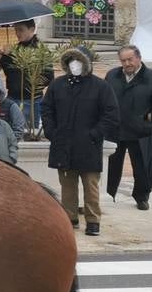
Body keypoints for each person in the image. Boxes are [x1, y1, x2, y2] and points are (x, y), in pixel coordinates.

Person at [41, 47, 119, 237]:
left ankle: (93, 220)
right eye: (71, 61)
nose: (75, 65)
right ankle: (70, 217)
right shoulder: (57, 85)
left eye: (79, 61)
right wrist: (52, 132)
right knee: (67, 185)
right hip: (64, 142)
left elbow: (111, 114)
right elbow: (47, 109)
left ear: (87, 64)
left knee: (90, 185)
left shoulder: (100, 87)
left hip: (88, 144)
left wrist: (96, 134)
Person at [105, 44, 152, 210]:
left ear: (139, 58)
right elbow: (103, 100)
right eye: (123, 60)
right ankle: (108, 193)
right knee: (111, 165)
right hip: (115, 131)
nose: (127, 64)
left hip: (139, 132)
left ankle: (142, 197)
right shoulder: (112, 75)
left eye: (130, 59)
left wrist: (149, 123)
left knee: (141, 168)